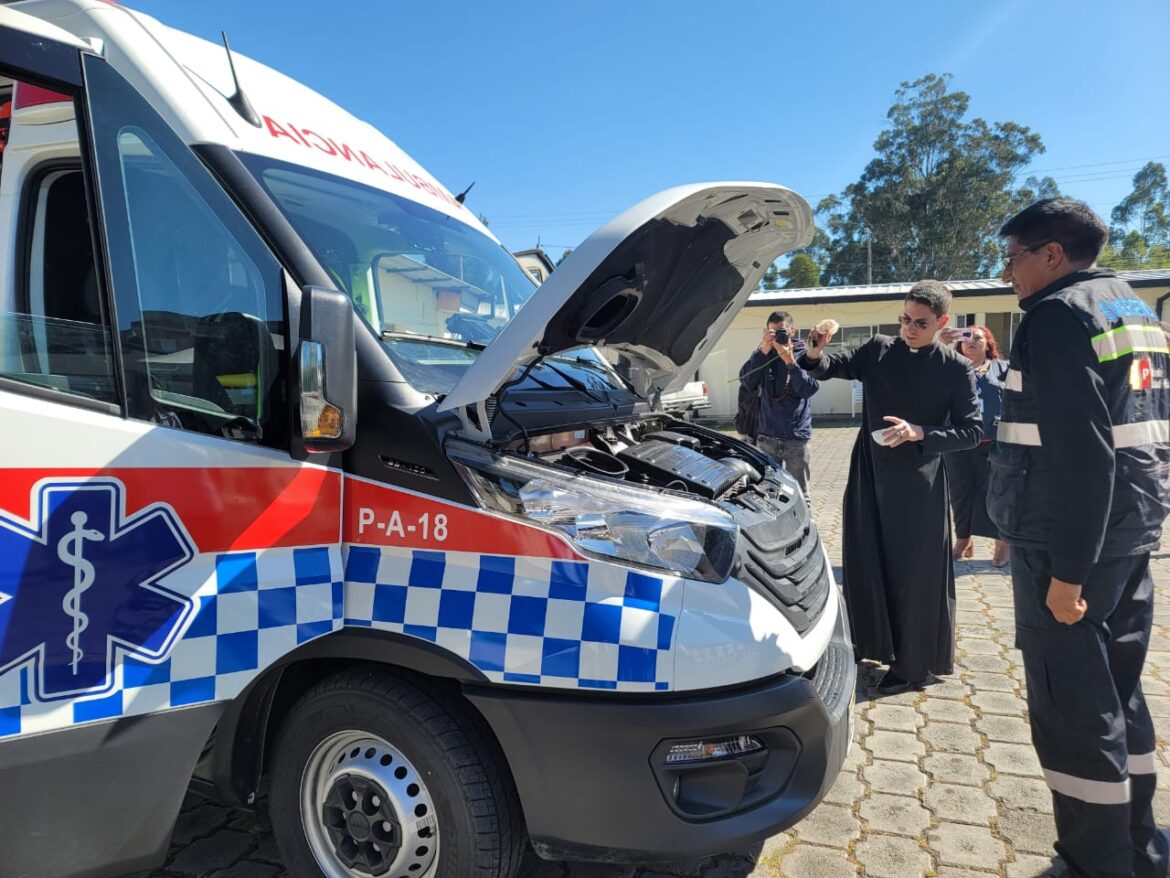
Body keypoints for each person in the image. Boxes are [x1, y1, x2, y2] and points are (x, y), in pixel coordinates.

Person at [988, 199, 1170, 877]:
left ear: (1052, 255)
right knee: (1120, 695)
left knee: (1074, 715)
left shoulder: (1059, 316)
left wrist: (1066, 574)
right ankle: (1141, 847)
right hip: (1128, 535)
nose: (1008, 273)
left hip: (1069, 544)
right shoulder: (1132, 308)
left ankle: (1095, 862)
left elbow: (1085, 452)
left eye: (1013, 258)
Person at [798, 281, 982, 694]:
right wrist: (814, 349)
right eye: (905, 319)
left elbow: (971, 431)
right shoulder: (879, 349)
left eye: (920, 323)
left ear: (941, 322)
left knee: (913, 576)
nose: (909, 329)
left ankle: (915, 666)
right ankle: (872, 643)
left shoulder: (955, 368)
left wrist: (920, 432)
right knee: (867, 561)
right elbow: (830, 366)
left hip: (919, 485)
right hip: (869, 473)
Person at [941, 325, 1011, 567]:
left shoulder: (1003, 368)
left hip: (994, 442)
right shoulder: (951, 368)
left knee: (996, 493)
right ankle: (963, 539)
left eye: (977, 337)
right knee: (960, 493)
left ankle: (1002, 544)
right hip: (958, 441)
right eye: (966, 338)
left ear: (988, 343)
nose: (971, 342)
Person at [738, 310, 820, 495]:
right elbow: (747, 383)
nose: (778, 336)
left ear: (793, 331)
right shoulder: (762, 354)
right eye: (773, 332)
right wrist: (763, 351)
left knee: (800, 492)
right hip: (767, 437)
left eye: (782, 331)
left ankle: (805, 522)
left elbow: (809, 389)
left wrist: (790, 361)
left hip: (796, 439)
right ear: (766, 333)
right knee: (767, 493)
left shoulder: (804, 354)